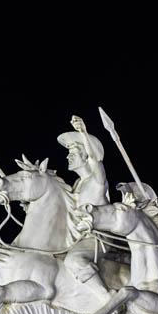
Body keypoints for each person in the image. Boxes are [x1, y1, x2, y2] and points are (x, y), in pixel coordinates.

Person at [58, 115, 112, 302]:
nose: (67, 156)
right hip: (78, 239)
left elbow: (95, 160)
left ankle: (106, 298)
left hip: (99, 239)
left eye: (72, 153)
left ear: (84, 156)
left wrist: (83, 133)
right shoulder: (76, 186)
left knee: (73, 261)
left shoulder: (97, 181)